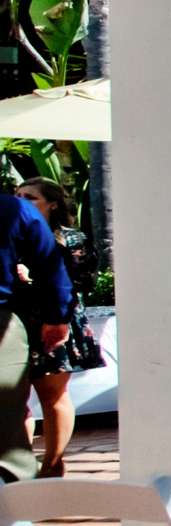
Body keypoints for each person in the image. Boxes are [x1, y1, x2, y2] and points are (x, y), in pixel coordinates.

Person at [14, 180, 87, 478]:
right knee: (15, 400)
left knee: (53, 395)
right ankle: (21, 465)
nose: (21, 201)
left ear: (52, 203)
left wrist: (34, 278)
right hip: (17, 322)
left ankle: (53, 464)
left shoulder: (70, 239)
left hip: (56, 320)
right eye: (17, 196)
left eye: (30, 197)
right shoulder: (13, 234)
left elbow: (82, 280)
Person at [0, 187, 72, 483]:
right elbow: (51, 267)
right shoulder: (14, 210)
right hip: (2, 323)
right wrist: (56, 317)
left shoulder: (16, 210)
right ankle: (13, 517)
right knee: (5, 427)